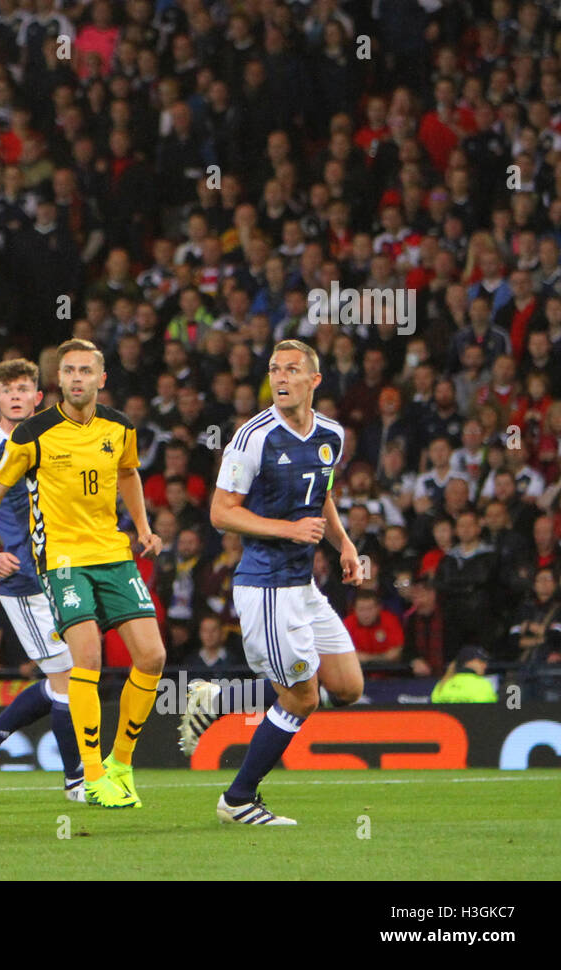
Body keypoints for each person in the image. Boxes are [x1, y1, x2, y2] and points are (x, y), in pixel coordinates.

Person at [0, 338, 166, 809]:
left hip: (113, 554)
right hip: (61, 562)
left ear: (100, 378)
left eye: (85, 371)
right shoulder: (32, 433)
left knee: (152, 657)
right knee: (80, 664)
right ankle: (87, 776)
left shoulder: (120, 427)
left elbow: (130, 473)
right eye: (68, 370)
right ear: (59, 381)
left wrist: (145, 527)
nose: (76, 378)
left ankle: (119, 764)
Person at [180, 339, 364, 825]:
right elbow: (221, 513)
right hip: (265, 587)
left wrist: (343, 544)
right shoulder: (252, 437)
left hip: (303, 584)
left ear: (314, 381)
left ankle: (219, 699)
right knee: (303, 696)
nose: (281, 378)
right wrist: (288, 529)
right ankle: (238, 799)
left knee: (346, 687)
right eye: (274, 370)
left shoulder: (332, 434)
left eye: (291, 370)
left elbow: (319, 491)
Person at [0, 358, 84, 801]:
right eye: (7, 390)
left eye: (24, 388)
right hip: (24, 582)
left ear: (38, 397)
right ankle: (76, 782)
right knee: (68, 676)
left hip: (65, 573)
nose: (16, 396)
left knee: (73, 673)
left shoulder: (57, 439)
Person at [430, 646, 498, 703]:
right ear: (468, 662)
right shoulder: (482, 684)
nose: (485, 666)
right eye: (481, 661)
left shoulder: (442, 683)